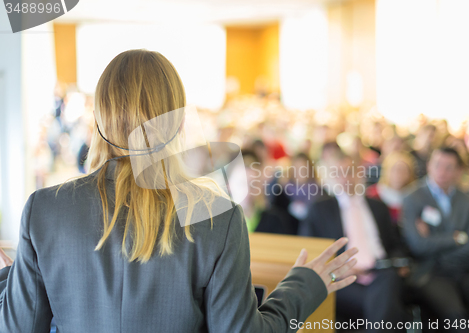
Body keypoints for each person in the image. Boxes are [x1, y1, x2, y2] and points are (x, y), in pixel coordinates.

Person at [0, 49, 358, 332]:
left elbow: (16, 326)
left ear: (98, 120)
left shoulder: (43, 211)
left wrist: (14, 279)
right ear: (178, 125)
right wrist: (304, 286)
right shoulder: (219, 216)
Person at [299, 153, 409, 332]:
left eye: (350, 172)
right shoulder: (320, 209)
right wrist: (338, 269)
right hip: (342, 277)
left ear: (360, 173)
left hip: (381, 272)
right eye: (339, 173)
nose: (345, 178)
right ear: (332, 177)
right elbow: (310, 252)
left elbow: (395, 245)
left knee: (388, 282)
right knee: (385, 304)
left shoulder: (378, 207)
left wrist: (398, 262)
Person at [402, 147, 469, 332]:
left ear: (458, 171)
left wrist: (437, 245)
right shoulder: (413, 198)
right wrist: (456, 238)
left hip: (467, 269)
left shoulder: (467, 201)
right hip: (431, 271)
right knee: (457, 319)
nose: (442, 172)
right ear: (429, 165)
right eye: (437, 165)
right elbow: (418, 246)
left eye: (449, 167)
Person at [366, 151, 416, 226]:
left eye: (403, 170)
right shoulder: (373, 194)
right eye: (394, 170)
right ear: (386, 171)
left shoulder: (415, 195)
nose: (398, 174)